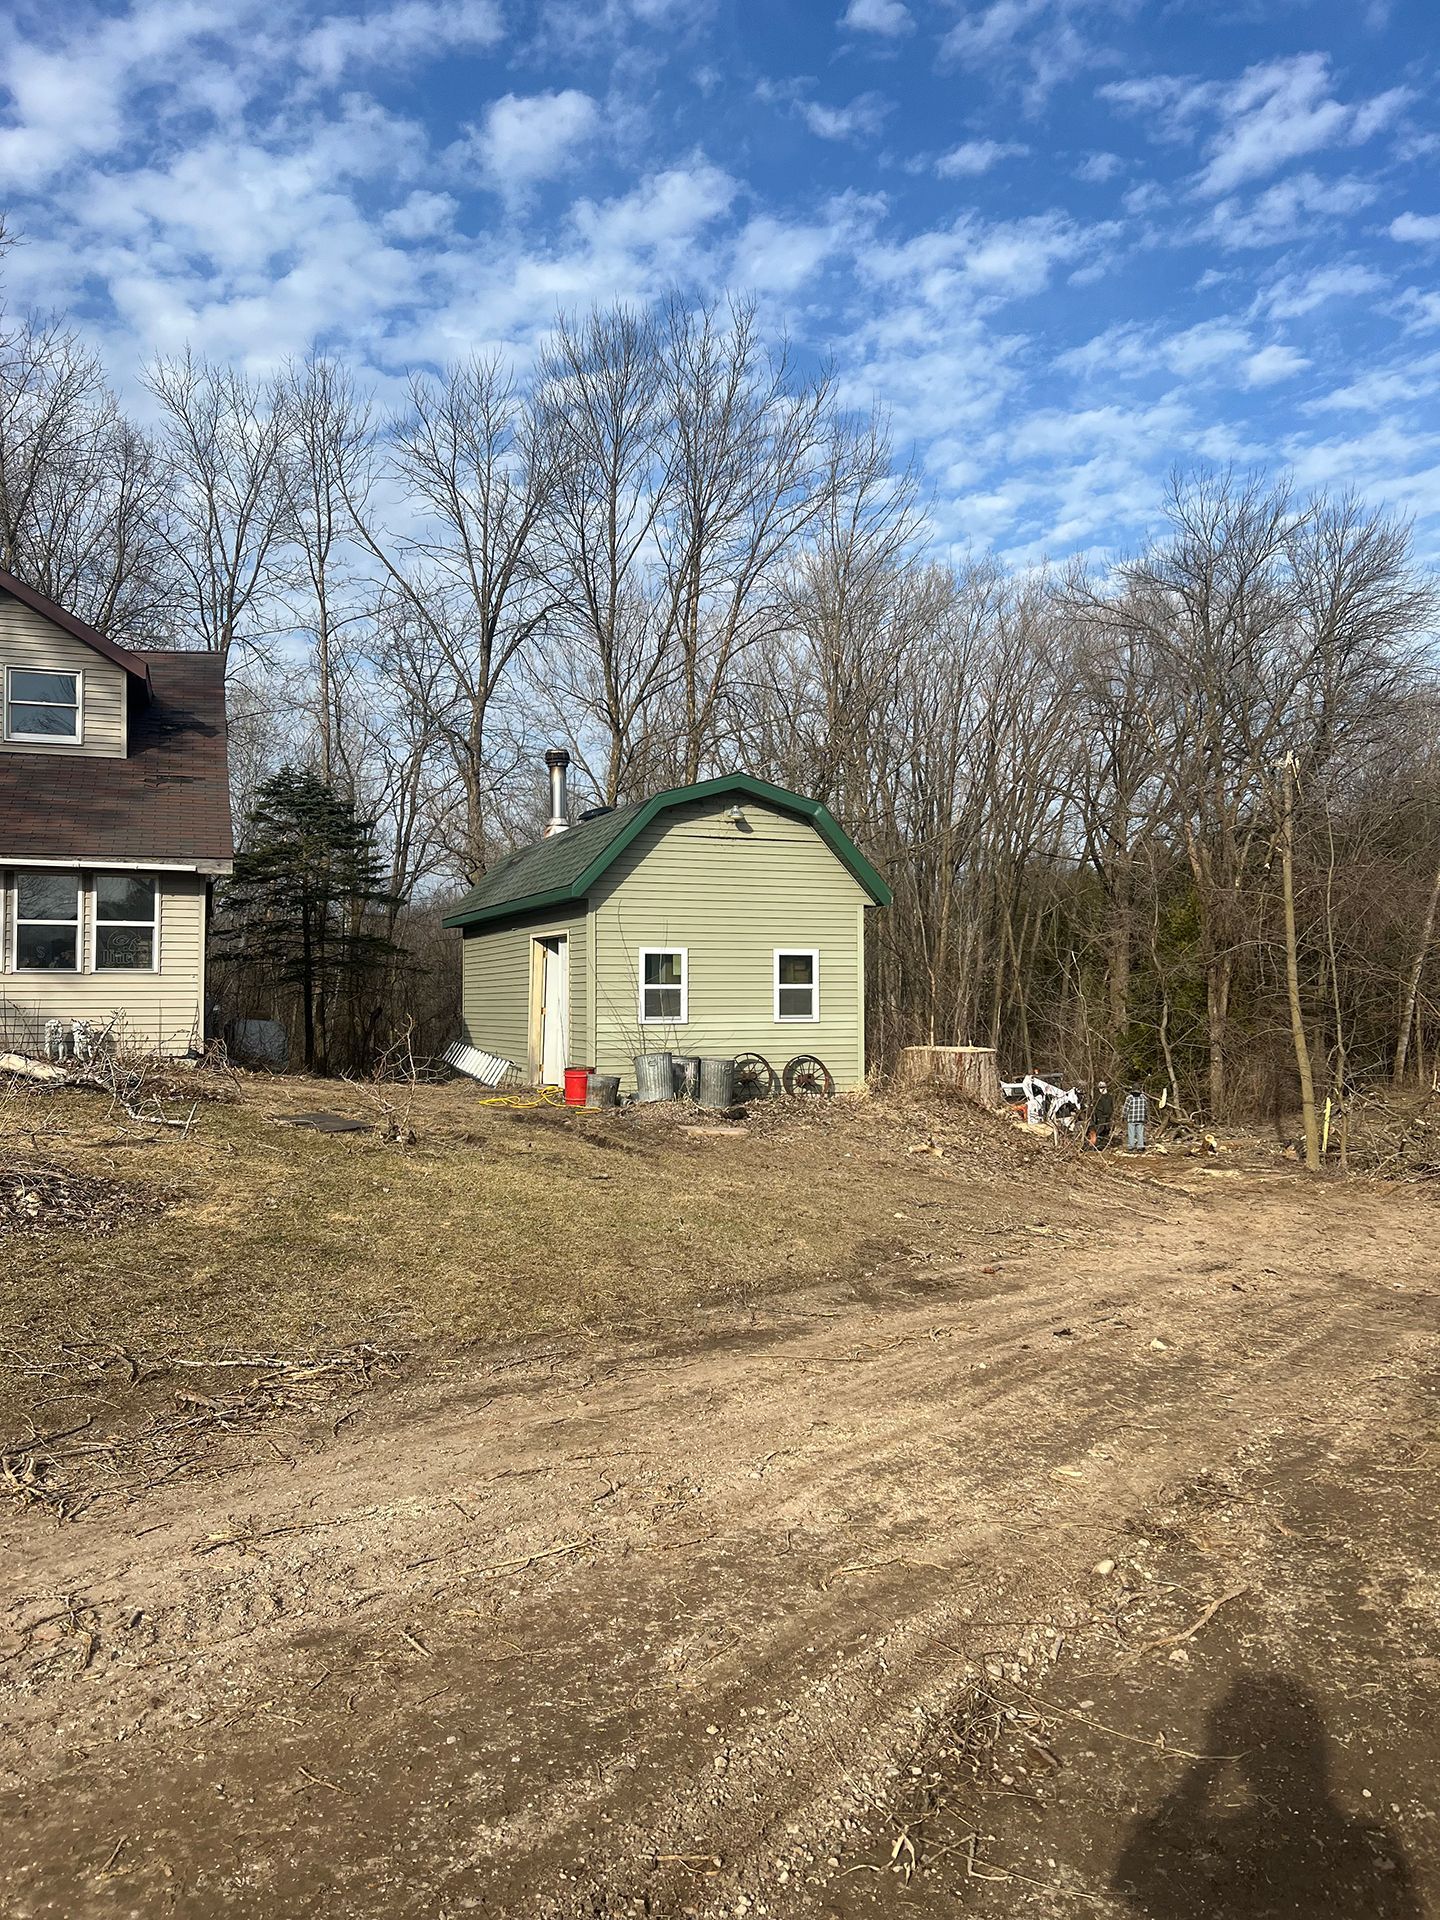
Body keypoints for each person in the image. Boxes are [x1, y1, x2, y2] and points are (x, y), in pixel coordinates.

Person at [1123, 1082, 1148, 1152]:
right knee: (1140, 1133)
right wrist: (1146, 1116)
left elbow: (1126, 1108)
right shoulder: (1143, 1098)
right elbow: (1146, 1108)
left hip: (1131, 1118)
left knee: (1131, 1133)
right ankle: (1140, 1146)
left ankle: (1131, 1147)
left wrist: (1124, 1116)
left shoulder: (1129, 1098)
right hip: (1140, 1118)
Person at [1090, 1080, 1114, 1149]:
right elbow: (1096, 1108)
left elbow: (1111, 1106)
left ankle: (1105, 1144)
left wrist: (1111, 1113)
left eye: (1103, 1087)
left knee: (1107, 1130)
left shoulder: (1109, 1097)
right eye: (1101, 1087)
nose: (1102, 1089)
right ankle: (1098, 1145)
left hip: (1108, 1117)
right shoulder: (1097, 1098)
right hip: (1100, 1117)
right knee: (1100, 1130)